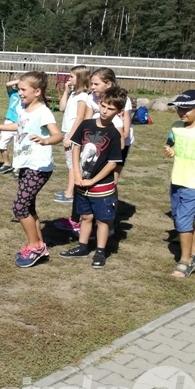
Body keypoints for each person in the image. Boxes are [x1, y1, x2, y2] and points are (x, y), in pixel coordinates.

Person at [0, 72, 63, 268]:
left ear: (37, 92)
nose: (19, 92)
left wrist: (45, 140)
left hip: (39, 166)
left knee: (19, 207)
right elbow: (20, 126)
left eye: (23, 89)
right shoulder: (24, 108)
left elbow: (58, 135)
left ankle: (35, 246)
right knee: (28, 207)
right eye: (19, 88)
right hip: (25, 164)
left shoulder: (43, 112)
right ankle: (39, 244)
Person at [59, 87, 125, 268]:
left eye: (110, 109)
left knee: (102, 220)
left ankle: (100, 252)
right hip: (82, 182)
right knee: (85, 217)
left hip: (101, 186)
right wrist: (77, 174)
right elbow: (76, 148)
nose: (104, 111)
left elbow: (112, 163)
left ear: (118, 112)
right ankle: (82, 247)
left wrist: (92, 181)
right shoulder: (86, 124)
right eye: (103, 106)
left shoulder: (114, 134)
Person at [163, 89, 195, 278]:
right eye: (179, 108)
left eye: (187, 108)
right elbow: (170, 143)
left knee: (183, 221)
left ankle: (185, 261)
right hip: (177, 181)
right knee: (181, 218)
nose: (181, 112)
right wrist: (170, 150)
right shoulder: (176, 126)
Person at [54, 66, 92, 203]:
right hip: (68, 132)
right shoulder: (74, 94)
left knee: (73, 165)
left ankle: (70, 194)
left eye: (71, 76)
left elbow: (80, 118)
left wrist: (71, 137)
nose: (69, 79)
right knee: (70, 164)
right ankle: (68, 190)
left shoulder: (83, 97)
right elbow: (61, 108)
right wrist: (66, 91)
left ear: (80, 78)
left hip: (74, 134)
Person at [0, 77, 21, 175]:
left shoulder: (27, 96)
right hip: (9, 122)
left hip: (20, 124)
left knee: (18, 147)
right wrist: (19, 80)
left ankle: (17, 168)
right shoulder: (13, 93)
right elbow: (7, 84)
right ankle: (6, 164)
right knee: (1, 144)